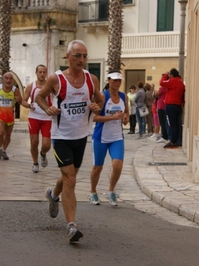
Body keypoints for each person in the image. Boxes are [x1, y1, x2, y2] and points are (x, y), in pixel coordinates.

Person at [35, 40, 104, 243]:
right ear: (68, 56)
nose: (81, 60)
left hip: (81, 136)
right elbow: (40, 97)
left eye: (84, 56)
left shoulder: (92, 80)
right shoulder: (56, 79)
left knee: (68, 177)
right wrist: (47, 108)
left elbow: (99, 100)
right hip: (61, 136)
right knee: (71, 179)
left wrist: (97, 106)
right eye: (77, 56)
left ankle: (53, 194)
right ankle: (72, 226)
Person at [88, 70, 129, 206]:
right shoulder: (102, 97)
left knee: (118, 165)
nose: (116, 83)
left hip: (117, 137)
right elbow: (94, 117)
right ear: (108, 81)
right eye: (114, 80)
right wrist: (112, 117)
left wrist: (125, 118)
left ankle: (111, 191)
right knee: (97, 167)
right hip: (101, 137)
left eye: (119, 80)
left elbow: (126, 112)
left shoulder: (124, 97)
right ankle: (93, 192)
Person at [21, 65, 52, 173]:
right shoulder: (31, 86)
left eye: (44, 72)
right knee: (34, 142)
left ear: (46, 73)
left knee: (46, 144)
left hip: (47, 118)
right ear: (36, 73)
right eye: (40, 72)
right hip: (34, 117)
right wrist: (29, 106)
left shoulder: (50, 85)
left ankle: (43, 153)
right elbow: (23, 101)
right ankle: (35, 163)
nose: (42, 74)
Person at [0, 72, 22, 160]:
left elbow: (20, 100)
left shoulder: (15, 90)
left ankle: (4, 150)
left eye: (10, 79)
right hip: (0, 115)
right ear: (3, 79)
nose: (8, 80)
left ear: (12, 80)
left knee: (8, 135)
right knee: (1, 133)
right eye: (6, 78)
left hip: (10, 115)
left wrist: (19, 99)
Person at [159, 68, 185, 148]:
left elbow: (161, 83)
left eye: (169, 75)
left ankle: (172, 140)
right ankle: (178, 140)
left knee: (170, 123)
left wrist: (165, 75)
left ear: (172, 75)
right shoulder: (181, 83)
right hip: (178, 105)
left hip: (171, 106)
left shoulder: (173, 81)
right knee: (177, 123)